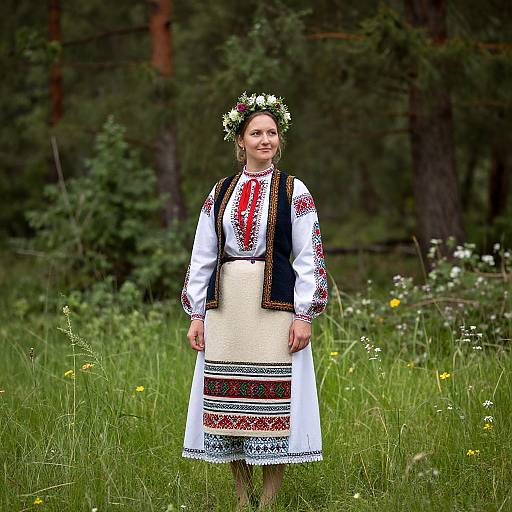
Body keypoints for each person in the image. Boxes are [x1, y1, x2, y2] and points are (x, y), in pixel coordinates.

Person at [180, 92, 328, 510]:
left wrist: (305, 314)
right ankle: (243, 497)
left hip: (275, 307)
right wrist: (197, 314)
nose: (266, 140)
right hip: (227, 308)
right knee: (231, 401)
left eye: (272, 133)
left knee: (271, 405)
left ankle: (269, 500)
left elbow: (308, 255)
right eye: (256, 133)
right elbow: (203, 252)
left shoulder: (294, 190)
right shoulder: (222, 191)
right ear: (239, 140)